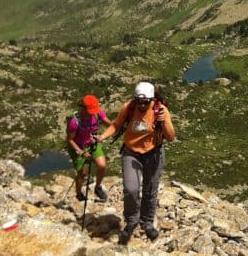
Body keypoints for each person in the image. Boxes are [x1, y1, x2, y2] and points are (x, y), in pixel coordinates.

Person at [94, 81, 176, 244]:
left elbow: (171, 137)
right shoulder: (129, 107)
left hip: (154, 154)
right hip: (131, 153)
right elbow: (116, 125)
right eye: (139, 101)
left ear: (152, 99)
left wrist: (163, 121)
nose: (142, 105)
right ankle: (132, 220)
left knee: (150, 190)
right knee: (130, 189)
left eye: (145, 102)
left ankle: (147, 222)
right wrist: (102, 137)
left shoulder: (160, 110)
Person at [66, 94, 112, 202]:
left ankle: (98, 187)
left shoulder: (97, 114)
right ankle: (78, 193)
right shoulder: (74, 122)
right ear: (83, 108)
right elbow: (70, 140)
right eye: (90, 111)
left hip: (92, 143)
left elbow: (110, 125)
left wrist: (102, 136)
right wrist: (81, 152)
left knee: (102, 165)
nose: (92, 113)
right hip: (79, 146)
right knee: (83, 173)